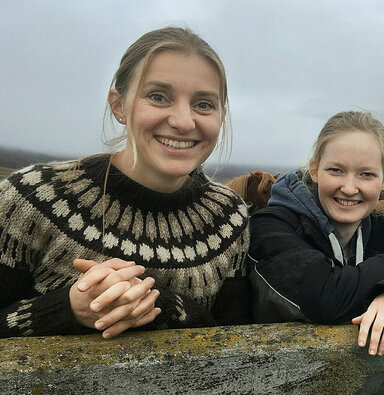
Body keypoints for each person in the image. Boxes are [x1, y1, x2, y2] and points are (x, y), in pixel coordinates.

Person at [0, 27, 250, 339]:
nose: (184, 121)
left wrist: (159, 304)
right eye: (158, 97)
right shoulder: (32, 197)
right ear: (119, 105)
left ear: (221, 114)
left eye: (204, 104)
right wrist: (68, 308)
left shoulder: (229, 217)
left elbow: (236, 339)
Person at [248, 111, 384, 356]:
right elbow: (325, 297)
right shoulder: (272, 226)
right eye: (336, 170)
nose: (349, 188)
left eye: (366, 174)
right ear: (314, 169)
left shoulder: (383, 232)